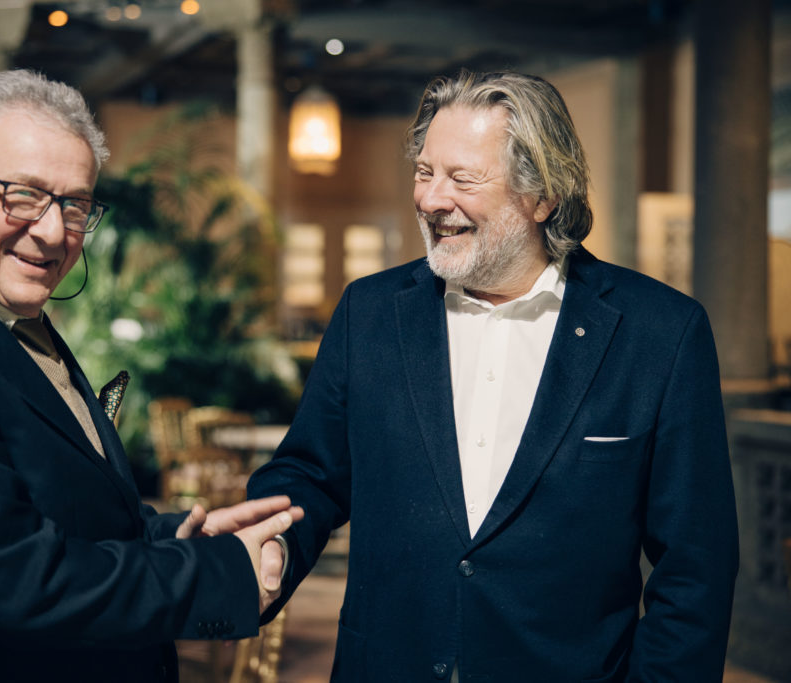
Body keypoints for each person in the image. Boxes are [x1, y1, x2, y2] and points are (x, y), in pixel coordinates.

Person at [247, 70, 739, 682]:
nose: (431, 199)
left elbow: (696, 567)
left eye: (462, 178)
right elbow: (312, 474)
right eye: (425, 172)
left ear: (542, 197)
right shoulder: (369, 312)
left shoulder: (660, 333)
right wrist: (272, 542)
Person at [0, 69, 300, 683]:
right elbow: (22, 581)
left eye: (74, 205)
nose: (52, 232)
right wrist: (220, 572)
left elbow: (52, 510)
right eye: (23, 193)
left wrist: (180, 534)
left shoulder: (8, 317)